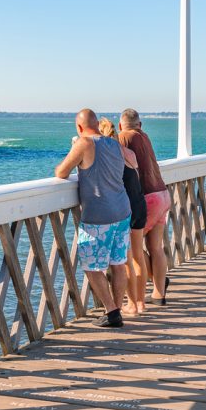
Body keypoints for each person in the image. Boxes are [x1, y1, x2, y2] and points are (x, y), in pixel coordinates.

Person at [55, 109, 131, 327]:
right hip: (122, 211)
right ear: (98, 124)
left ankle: (112, 310)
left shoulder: (84, 144)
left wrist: (74, 150)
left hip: (100, 215)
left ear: (79, 128)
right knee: (118, 263)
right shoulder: (114, 144)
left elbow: (61, 172)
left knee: (91, 266)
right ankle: (116, 313)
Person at [118, 108, 171, 305]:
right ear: (140, 125)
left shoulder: (123, 137)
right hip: (163, 194)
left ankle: (136, 301)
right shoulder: (145, 136)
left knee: (135, 250)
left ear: (120, 125)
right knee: (156, 247)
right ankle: (159, 292)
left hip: (147, 197)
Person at [98, 117, 147, 315]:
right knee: (137, 258)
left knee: (126, 261)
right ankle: (140, 302)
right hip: (140, 203)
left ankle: (132, 304)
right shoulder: (128, 153)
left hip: (125, 208)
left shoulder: (110, 154)